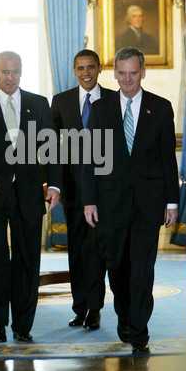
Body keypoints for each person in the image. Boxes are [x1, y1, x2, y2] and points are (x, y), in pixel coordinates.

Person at [82, 47, 179, 354]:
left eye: (132, 73)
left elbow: (167, 159)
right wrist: (89, 200)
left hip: (148, 206)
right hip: (110, 204)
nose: (126, 80)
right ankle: (125, 317)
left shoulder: (161, 108)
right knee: (118, 269)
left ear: (143, 72)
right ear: (114, 74)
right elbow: (89, 160)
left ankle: (139, 331)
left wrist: (172, 203)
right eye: (121, 73)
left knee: (142, 270)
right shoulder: (101, 109)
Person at [0, 51, 61, 343]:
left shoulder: (37, 104)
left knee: (28, 260)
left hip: (29, 193)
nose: (10, 77)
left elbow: (51, 147)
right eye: (4, 72)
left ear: (21, 72)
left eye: (15, 72)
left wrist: (54, 185)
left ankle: (23, 325)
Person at [51, 49, 114, 330]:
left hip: (106, 191)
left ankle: (95, 308)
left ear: (99, 68)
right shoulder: (61, 101)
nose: (86, 73)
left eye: (91, 67)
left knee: (98, 250)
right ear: (74, 70)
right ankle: (80, 308)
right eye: (80, 68)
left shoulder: (114, 99)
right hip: (74, 191)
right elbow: (51, 146)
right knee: (77, 250)